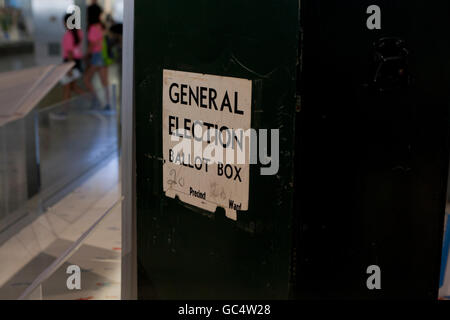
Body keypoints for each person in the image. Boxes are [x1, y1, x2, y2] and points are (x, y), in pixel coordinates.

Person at [51, 14, 85, 120]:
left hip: (70, 64)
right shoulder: (79, 33)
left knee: (66, 88)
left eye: (64, 22)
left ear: (67, 23)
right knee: (72, 87)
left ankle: (64, 113)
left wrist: (69, 68)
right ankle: (92, 100)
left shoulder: (68, 35)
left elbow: (70, 53)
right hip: (77, 63)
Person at [84, 1, 111, 110]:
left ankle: (96, 101)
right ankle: (108, 104)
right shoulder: (101, 26)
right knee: (105, 82)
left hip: (97, 56)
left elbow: (92, 44)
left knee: (86, 79)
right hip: (103, 56)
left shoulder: (92, 28)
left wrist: (86, 55)